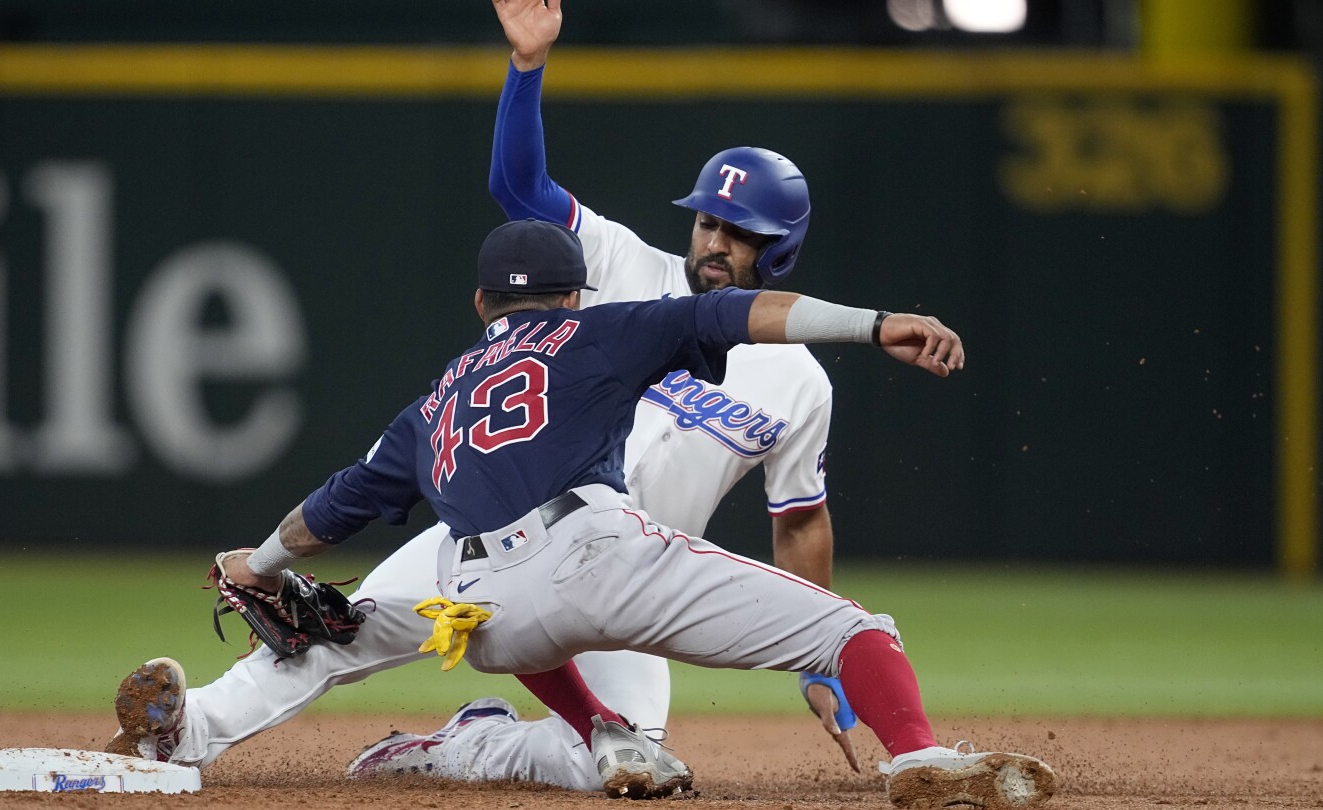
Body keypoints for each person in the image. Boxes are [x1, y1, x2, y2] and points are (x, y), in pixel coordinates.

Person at [115, 218, 1054, 809]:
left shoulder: (436, 396)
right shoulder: (604, 326)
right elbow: (736, 315)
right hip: (598, 554)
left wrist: (258, 564)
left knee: (341, 628)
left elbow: (341, 504)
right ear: (575, 294)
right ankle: (915, 761)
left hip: (475, 604)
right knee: (855, 632)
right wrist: (872, 323)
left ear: (481, 302)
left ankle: (186, 730)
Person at [346, 0, 865, 788]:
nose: (715, 241)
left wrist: (818, 654)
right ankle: (189, 724)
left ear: (780, 250)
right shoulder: (622, 263)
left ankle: (464, 743)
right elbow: (518, 184)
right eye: (707, 222)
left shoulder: (800, 380)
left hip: (636, 582)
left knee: (624, 758)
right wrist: (527, 67)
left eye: (740, 231)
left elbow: (799, 520)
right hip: (514, 535)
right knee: (344, 633)